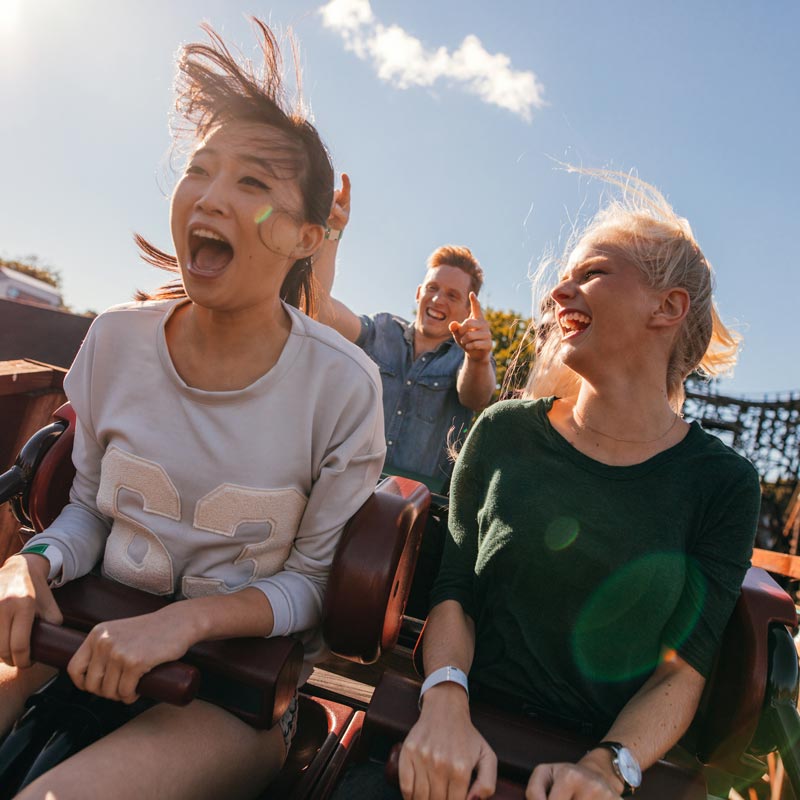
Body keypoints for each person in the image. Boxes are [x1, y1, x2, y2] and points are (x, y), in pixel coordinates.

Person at [0, 19, 385, 800]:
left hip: (229, 694)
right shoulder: (114, 339)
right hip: (76, 632)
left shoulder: (343, 386)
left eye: (251, 183)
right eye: (200, 170)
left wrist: (186, 622)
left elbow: (309, 587)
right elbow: (91, 512)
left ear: (308, 235)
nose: (211, 196)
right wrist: (27, 563)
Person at [398, 170, 760, 800]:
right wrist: (445, 705)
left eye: (591, 273)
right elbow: (454, 590)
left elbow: (685, 666)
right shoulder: (504, 432)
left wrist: (607, 767)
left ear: (667, 307)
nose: (559, 291)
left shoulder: (723, 483)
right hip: (455, 742)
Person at [313, 175, 497, 490]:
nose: (438, 299)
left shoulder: (467, 358)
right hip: (341, 487)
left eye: (453, 295)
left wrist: (479, 359)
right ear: (417, 293)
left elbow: (476, 397)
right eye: (433, 288)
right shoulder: (382, 329)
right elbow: (319, 309)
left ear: (468, 310)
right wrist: (331, 233)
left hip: (417, 508)